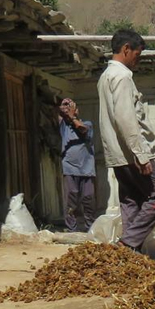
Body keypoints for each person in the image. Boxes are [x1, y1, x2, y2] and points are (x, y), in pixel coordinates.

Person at [97, 29, 155, 253]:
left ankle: (131, 255)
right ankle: (127, 244)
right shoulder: (122, 77)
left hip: (118, 154)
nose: (137, 61)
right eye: (137, 55)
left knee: (131, 200)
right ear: (126, 49)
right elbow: (125, 118)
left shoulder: (105, 77)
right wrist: (140, 154)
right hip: (131, 153)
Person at [59, 98, 96, 232]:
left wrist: (72, 116)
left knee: (88, 198)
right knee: (71, 200)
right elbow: (58, 115)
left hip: (86, 169)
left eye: (74, 109)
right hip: (69, 168)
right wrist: (63, 108)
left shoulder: (87, 124)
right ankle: (71, 229)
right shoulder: (63, 126)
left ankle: (90, 228)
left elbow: (82, 129)